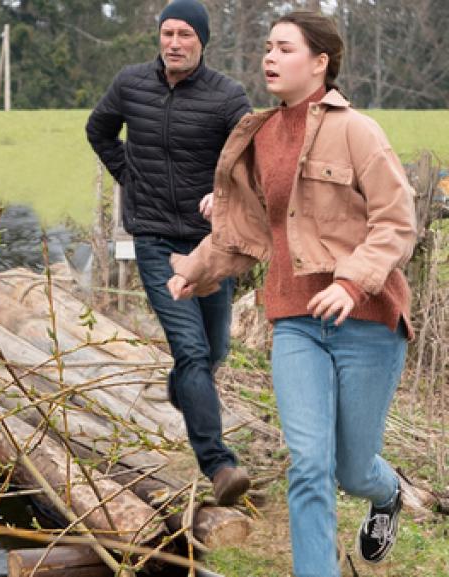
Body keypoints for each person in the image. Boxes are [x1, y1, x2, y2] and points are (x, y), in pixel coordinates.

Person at [167, 11, 416, 574]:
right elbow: (246, 232)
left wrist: (353, 282)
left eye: (283, 48)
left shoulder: (357, 131)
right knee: (308, 464)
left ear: (320, 62)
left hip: (369, 325)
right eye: (267, 48)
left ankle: (385, 493)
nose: (269, 58)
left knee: (351, 470)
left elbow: (397, 221)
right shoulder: (257, 137)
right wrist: (197, 270)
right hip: (295, 322)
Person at [85, 0, 252, 504]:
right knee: (192, 350)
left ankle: (184, 389)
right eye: (167, 33)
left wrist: (225, 194)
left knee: (215, 350)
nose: (174, 43)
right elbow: (99, 130)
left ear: (202, 42)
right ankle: (219, 465)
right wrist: (130, 179)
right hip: (155, 239)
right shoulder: (132, 84)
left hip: (210, 244)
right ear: (159, 37)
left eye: (185, 35)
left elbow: (252, 157)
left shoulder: (227, 96)